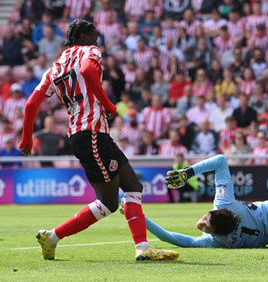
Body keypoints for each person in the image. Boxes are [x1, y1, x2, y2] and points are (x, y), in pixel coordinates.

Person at [19, 19, 178, 261]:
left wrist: (26, 140)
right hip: (91, 133)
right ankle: (52, 237)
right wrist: (107, 104)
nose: (98, 38)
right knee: (108, 202)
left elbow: (31, 104)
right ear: (83, 36)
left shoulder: (55, 68)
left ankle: (142, 247)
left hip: (85, 133)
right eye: (94, 34)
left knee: (133, 186)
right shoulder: (90, 51)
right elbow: (85, 71)